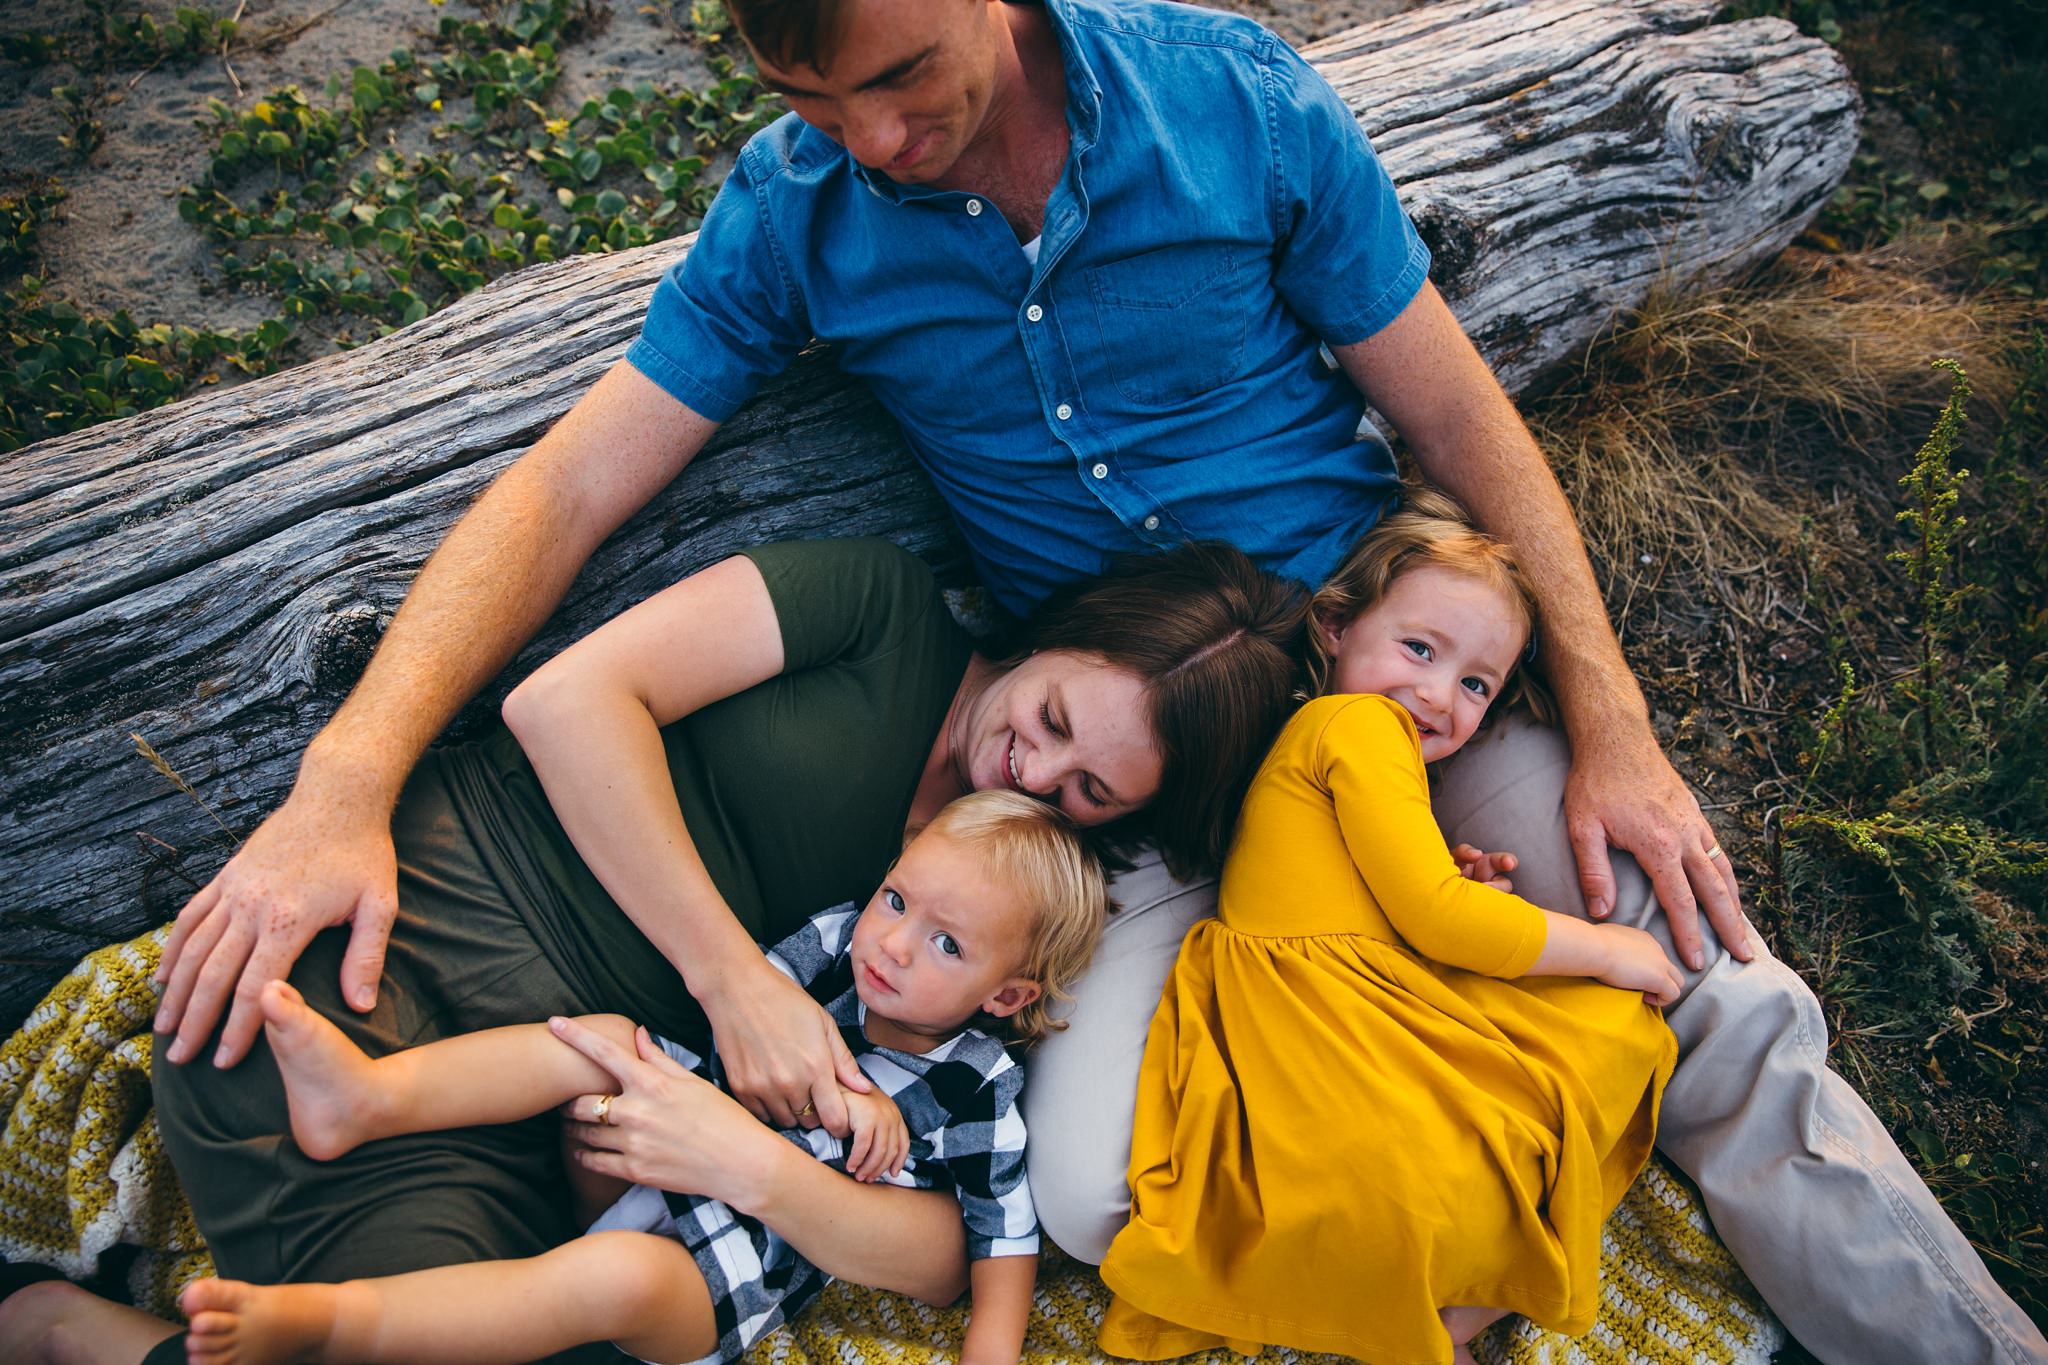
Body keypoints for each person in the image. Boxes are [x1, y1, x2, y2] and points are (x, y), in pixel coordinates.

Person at [72, 0, 2044, 1357]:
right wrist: (343, 775)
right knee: (1103, 1187)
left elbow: (1459, 418)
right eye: (807, 92)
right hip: (1135, 781)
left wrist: (1604, 722)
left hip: (1396, 688)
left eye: (902, 76)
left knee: (1708, 979)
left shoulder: (1234, 108)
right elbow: (572, 483)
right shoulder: (805, 213)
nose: (869, 136)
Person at [0, 537, 1302, 1365]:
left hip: (560, 1140)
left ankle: (83, 1338)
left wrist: (750, 1162)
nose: (1036, 767)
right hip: (369, 1005)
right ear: (1054, 627)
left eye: (1092, 788)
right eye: (1055, 713)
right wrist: (734, 979)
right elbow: (567, 703)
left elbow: (962, 1226)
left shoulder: (1010, 909)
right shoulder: (879, 614)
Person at [179, 790, 1108, 1365]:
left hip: (720, 1269)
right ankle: (370, 1098)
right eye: (897, 898)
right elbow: (741, 1033)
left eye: (946, 943)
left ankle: (338, 1324)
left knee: (611, 1279)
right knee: (598, 1039)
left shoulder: (976, 1085)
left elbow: (1002, 1234)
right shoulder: (837, 941)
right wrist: (842, 1094)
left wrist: (991, 1352)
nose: (895, 945)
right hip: (650, 1144)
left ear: (1007, 993)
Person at [1097, 491, 1679, 1364]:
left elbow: (1405, 898)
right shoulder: (1359, 723)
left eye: (1476, 683)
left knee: (1468, 1133)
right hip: (1329, 1021)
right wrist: (1613, 946)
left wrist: (1442, 886)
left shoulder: (1344, 730)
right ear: (1334, 626)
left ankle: (1431, 1292)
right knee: (1606, 1034)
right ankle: (1443, 1299)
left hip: (1315, 1007)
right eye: (1419, 648)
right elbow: (1441, 919)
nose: (1439, 694)